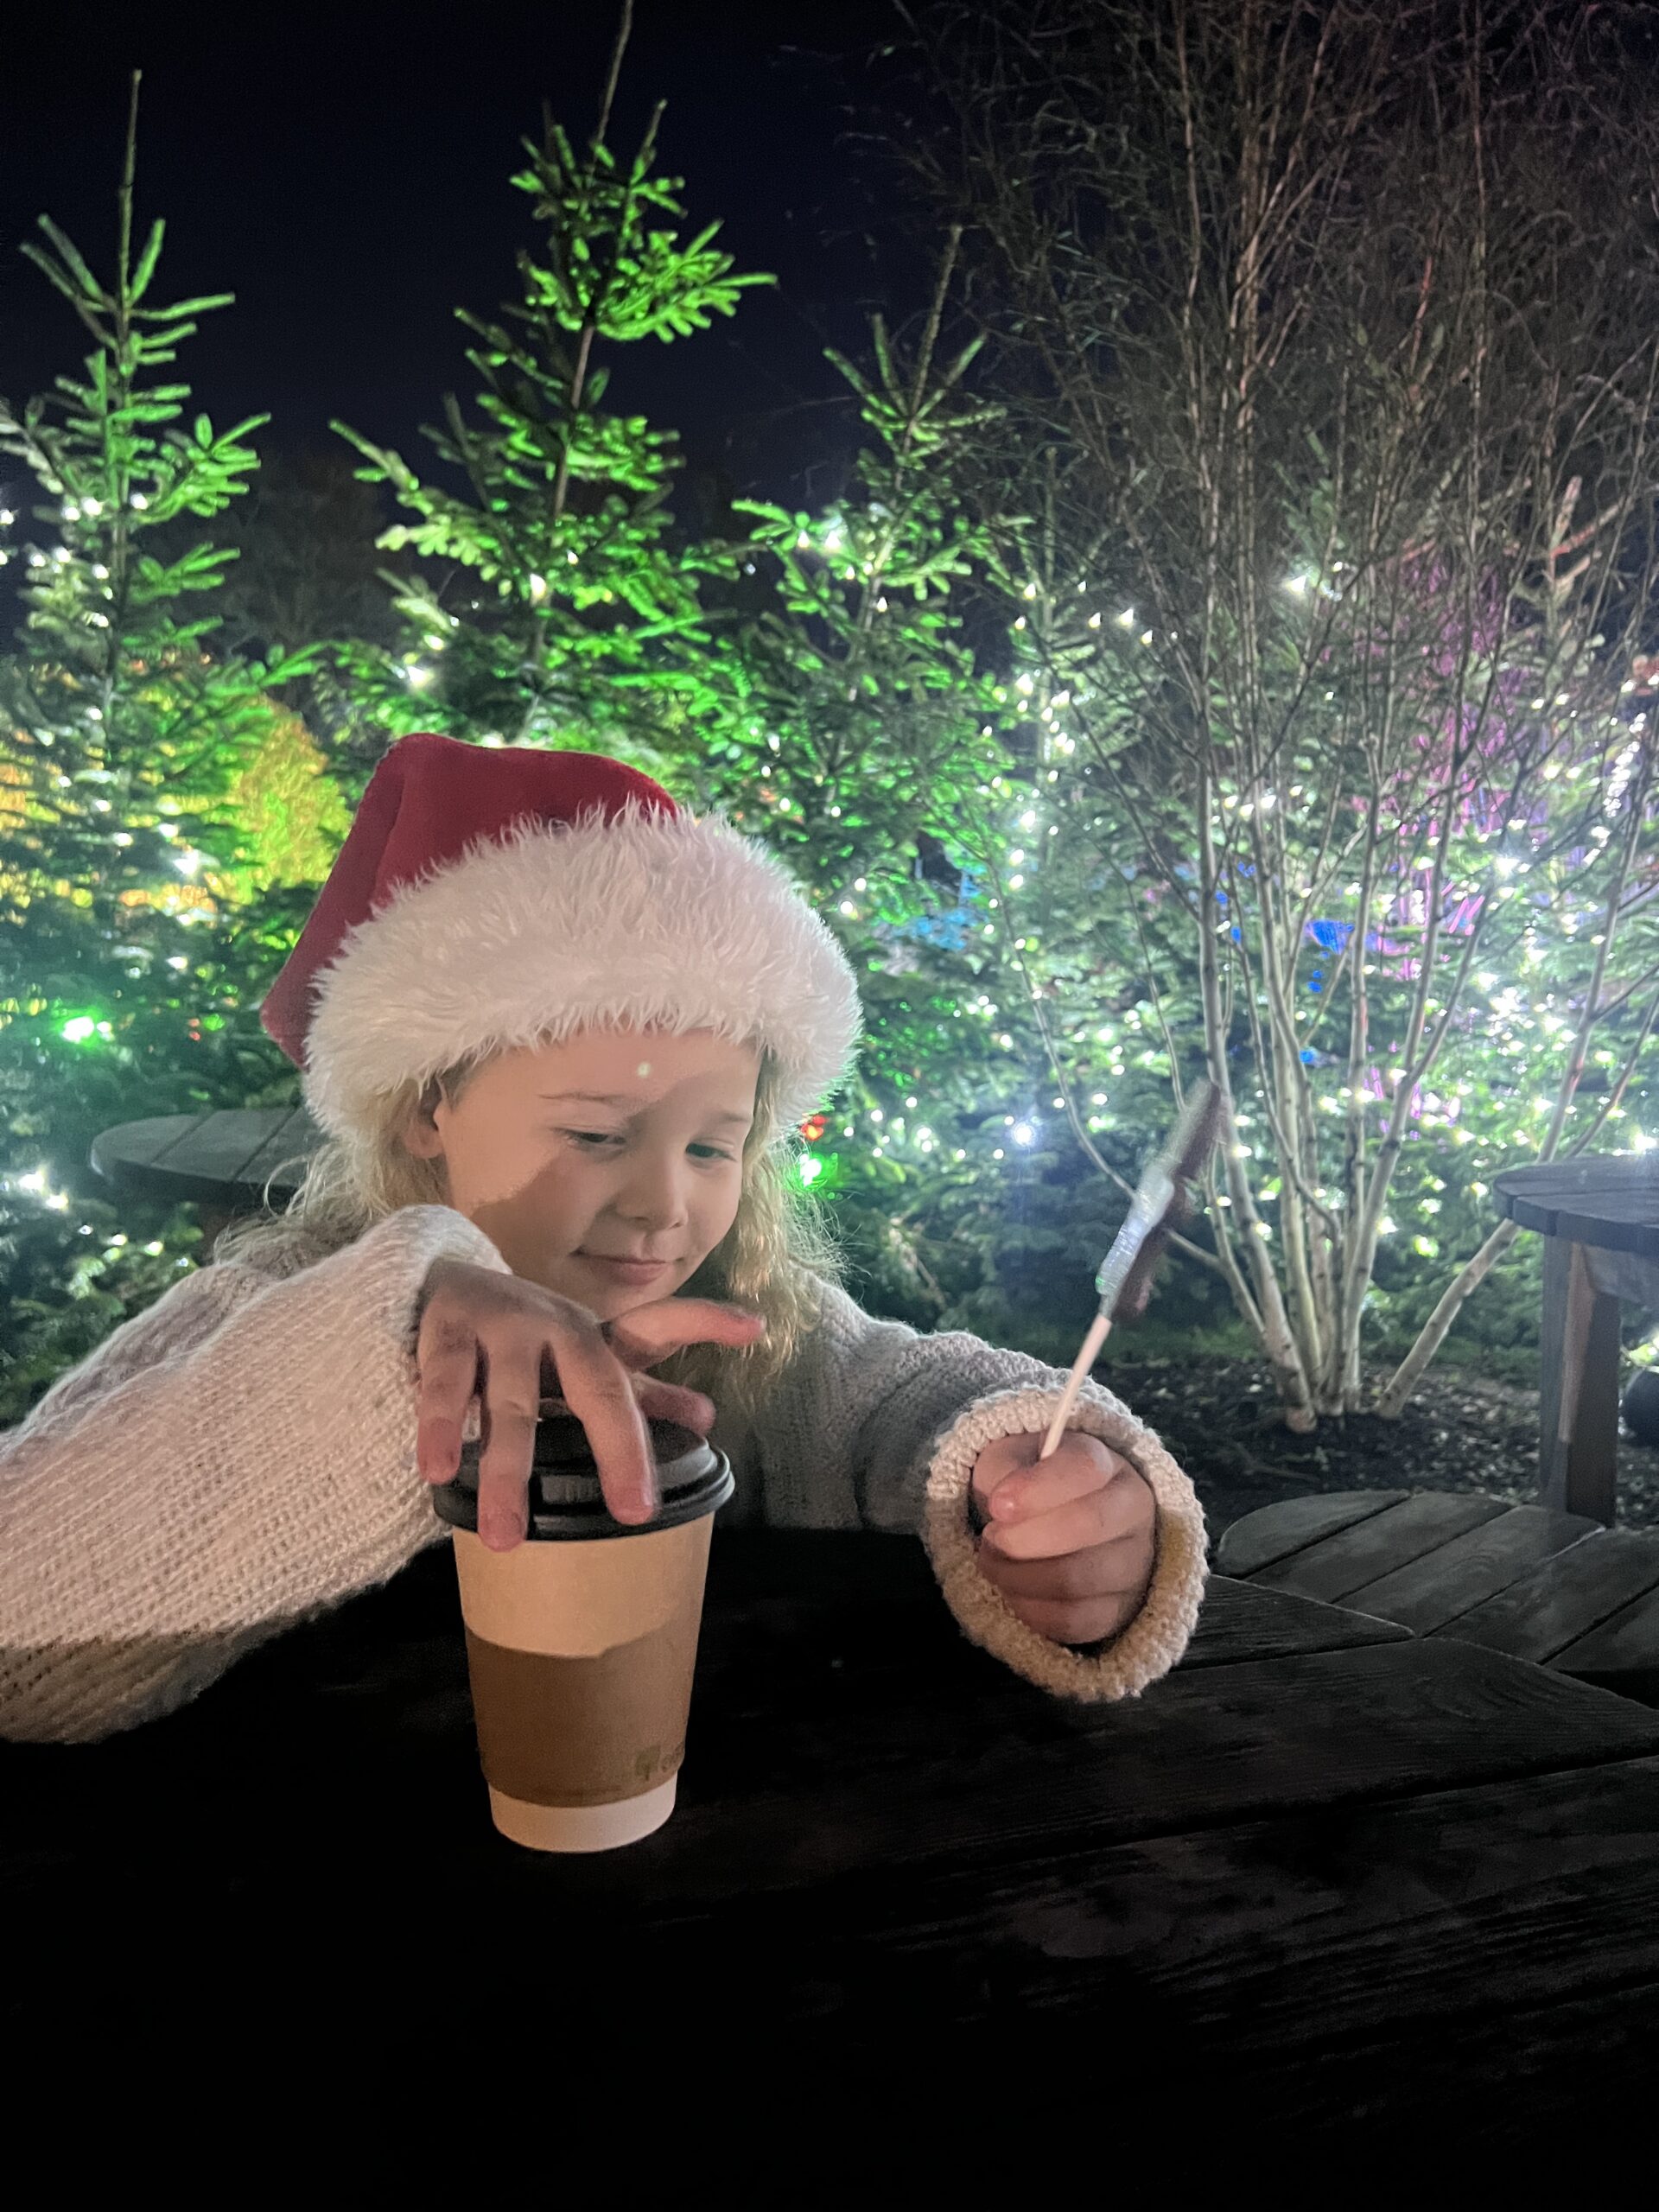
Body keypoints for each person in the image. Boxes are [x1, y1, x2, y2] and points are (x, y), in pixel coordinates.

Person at [0, 734, 1206, 1744]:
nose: (661, 1207)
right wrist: (397, 1351)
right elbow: (27, 1618)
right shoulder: (266, 1304)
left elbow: (918, 1397)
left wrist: (1052, 1492)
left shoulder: (745, 1336)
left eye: (711, 1146)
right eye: (593, 1133)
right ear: (429, 1106)